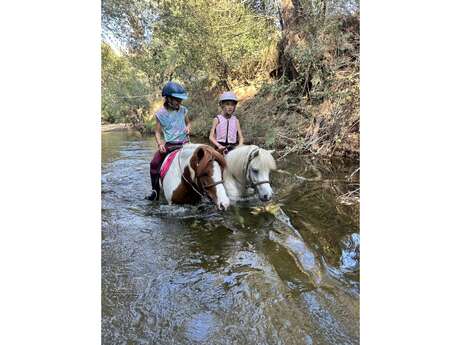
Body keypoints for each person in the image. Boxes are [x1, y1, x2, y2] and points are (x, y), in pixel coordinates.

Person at [147, 81, 191, 201]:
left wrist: (188, 127)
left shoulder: (183, 110)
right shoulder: (160, 114)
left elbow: (188, 122)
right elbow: (157, 132)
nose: (179, 102)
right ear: (168, 99)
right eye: (177, 99)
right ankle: (155, 191)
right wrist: (160, 144)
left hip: (185, 143)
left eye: (180, 100)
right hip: (170, 145)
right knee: (154, 163)